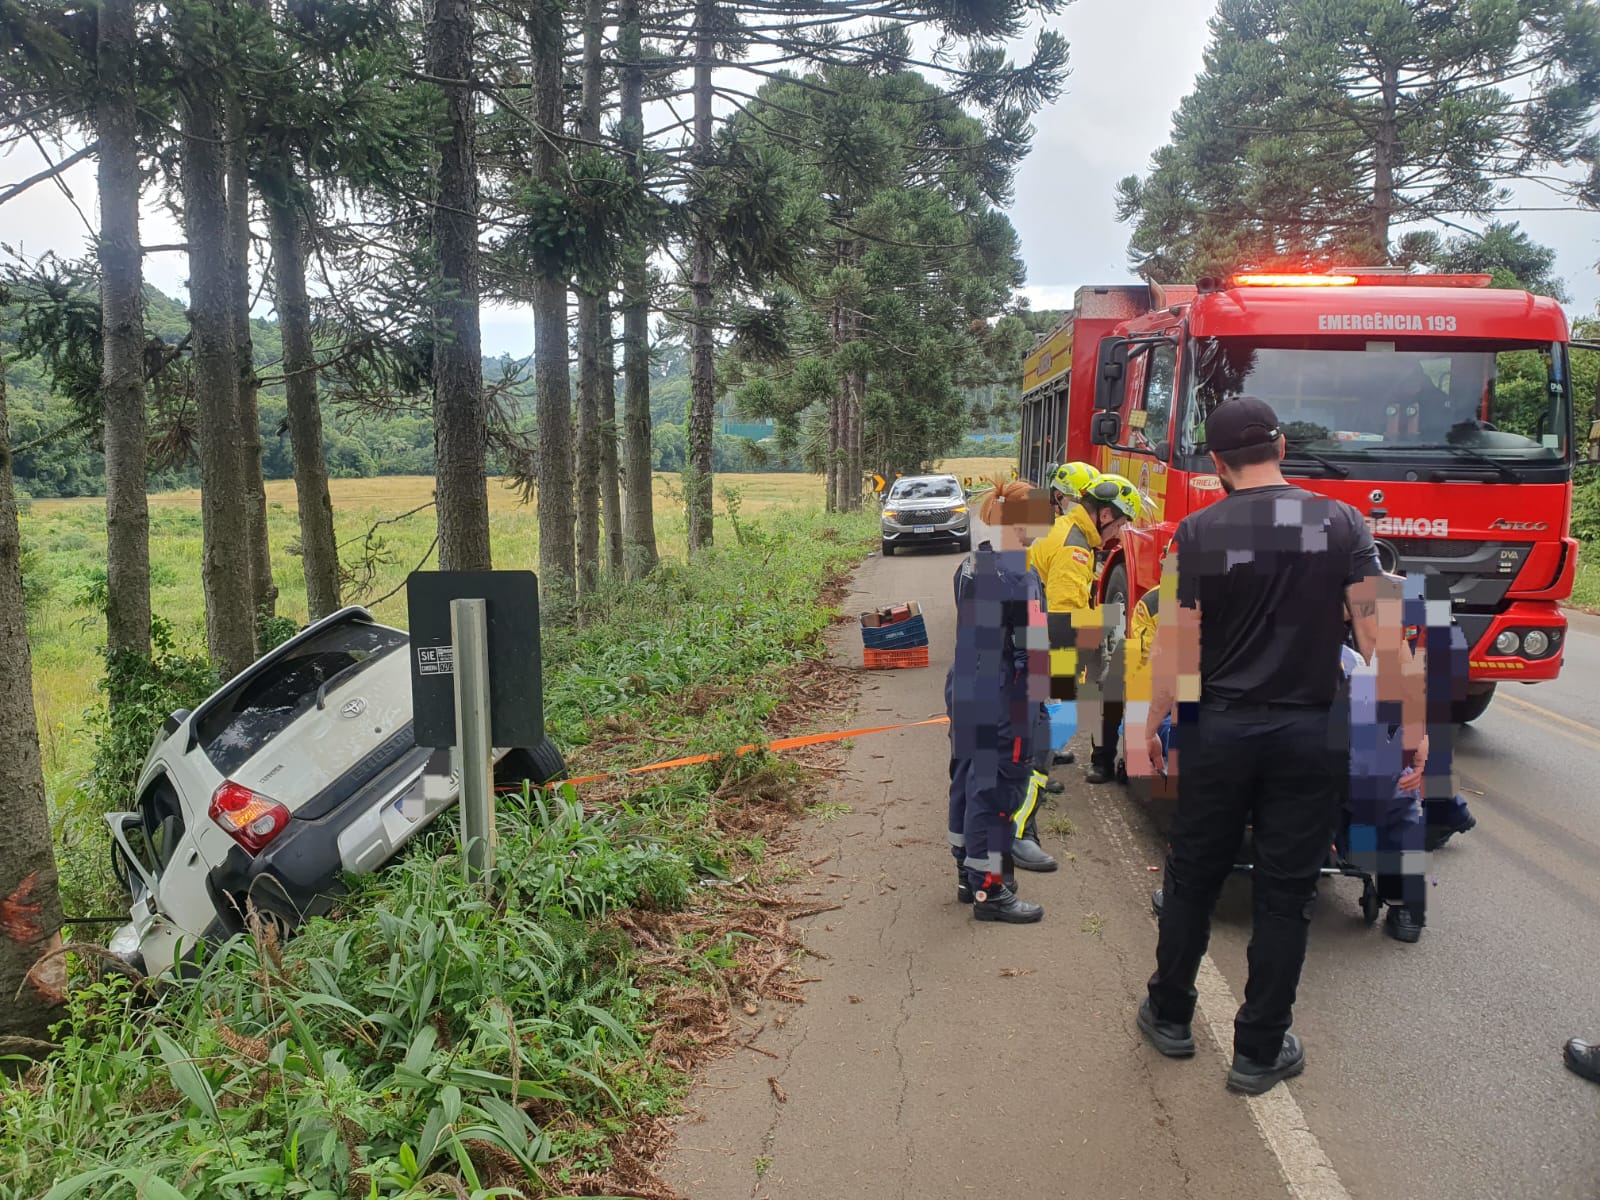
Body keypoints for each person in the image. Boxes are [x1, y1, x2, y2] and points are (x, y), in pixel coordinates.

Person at [1133, 396, 1421, 1096]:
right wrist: (1413, 728)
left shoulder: (1198, 531)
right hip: (1309, 734)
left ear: (1218, 462)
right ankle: (1259, 1052)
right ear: (1282, 447)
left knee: (1192, 877)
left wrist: (1155, 722)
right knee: (1286, 891)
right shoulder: (1341, 522)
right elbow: (1378, 634)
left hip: (1219, 730)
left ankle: (1169, 1016)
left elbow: (1179, 644)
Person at [945, 477, 1053, 924]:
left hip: (966, 687)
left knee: (967, 779)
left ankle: (966, 874)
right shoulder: (1020, 576)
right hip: (1005, 698)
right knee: (998, 791)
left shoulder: (972, 564)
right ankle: (990, 890)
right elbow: (1032, 654)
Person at [1068, 474, 1143, 786]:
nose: (1119, 533)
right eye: (1120, 524)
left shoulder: (1080, 540)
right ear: (1106, 515)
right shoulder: (1073, 546)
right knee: (1110, 682)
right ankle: (1102, 760)